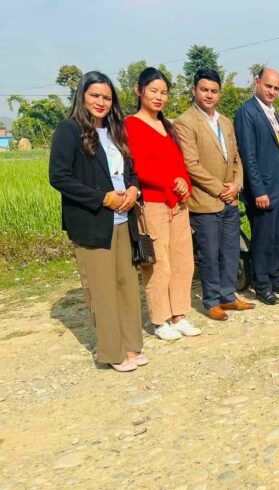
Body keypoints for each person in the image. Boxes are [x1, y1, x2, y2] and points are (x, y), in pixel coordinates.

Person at [49, 71, 145, 372]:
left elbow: (131, 171)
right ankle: (113, 352)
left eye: (107, 97)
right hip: (93, 221)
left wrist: (133, 189)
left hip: (123, 219)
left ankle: (132, 344)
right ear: (82, 96)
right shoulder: (69, 130)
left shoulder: (116, 130)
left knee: (127, 285)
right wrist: (103, 198)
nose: (101, 102)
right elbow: (59, 177)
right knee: (103, 290)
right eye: (95, 96)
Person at [126, 67, 201, 340]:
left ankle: (180, 314)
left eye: (164, 92)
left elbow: (179, 163)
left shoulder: (168, 126)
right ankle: (160, 320)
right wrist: (171, 182)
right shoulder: (130, 125)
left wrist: (184, 182)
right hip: (153, 203)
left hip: (178, 203)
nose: (159, 97)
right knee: (159, 264)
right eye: (153, 91)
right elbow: (138, 167)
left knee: (183, 261)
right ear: (139, 91)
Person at [174, 69, 252, 322]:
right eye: (204, 90)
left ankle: (228, 296)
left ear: (220, 93)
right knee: (209, 254)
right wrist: (221, 189)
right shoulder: (185, 122)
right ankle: (211, 301)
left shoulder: (225, 122)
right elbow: (191, 164)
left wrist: (237, 184)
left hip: (230, 197)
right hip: (206, 200)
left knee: (230, 250)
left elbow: (236, 157)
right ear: (194, 90)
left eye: (214, 91)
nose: (209, 95)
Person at [234, 67, 279, 305]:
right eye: (268, 86)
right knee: (262, 239)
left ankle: (275, 278)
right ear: (257, 82)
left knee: (277, 237)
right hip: (263, 190)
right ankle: (261, 286)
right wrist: (258, 191)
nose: (272, 91)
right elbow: (248, 155)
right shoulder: (247, 112)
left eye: (276, 88)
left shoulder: (272, 112)